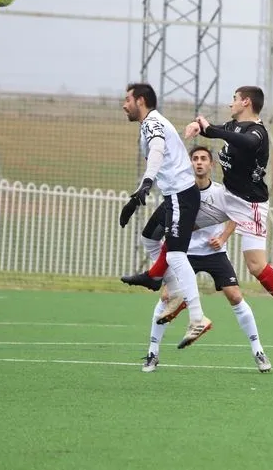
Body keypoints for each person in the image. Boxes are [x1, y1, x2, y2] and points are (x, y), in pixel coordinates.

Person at [121, 86, 273, 348]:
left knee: (256, 266)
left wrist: (214, 130)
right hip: (227, 196)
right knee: (180, 226)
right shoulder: (233, 125)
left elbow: (246, 142)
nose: (230, 103)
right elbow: (218, 129)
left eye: (234, 99)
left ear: (245, 102)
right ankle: (156, 277)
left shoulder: (258, 132)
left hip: (249, 204)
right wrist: (200, 126)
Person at [140, 146, 271, 374]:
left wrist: (223, 237)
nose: (199, 162)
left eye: (203, 159)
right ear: (190, 164)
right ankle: (152, 352)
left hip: (214, 254)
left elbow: (237, 214)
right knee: (167, 296)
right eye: (195, 159)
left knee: (235, 296)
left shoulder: (221, 193)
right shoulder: (181, 192)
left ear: (212, 165)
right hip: (185, 253)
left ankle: (258, 351)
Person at [118, 83, 212, 349]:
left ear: (141, 101)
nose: (124, 105)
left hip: (181, 195)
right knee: (149, 238)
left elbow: (157, 150)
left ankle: (197, 317)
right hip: (174, 196)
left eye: (128, 99)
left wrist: (144, 187)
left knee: (175, 254)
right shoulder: (149, 124)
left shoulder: (152, 123)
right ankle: (173, 290)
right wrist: (141, 191)